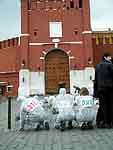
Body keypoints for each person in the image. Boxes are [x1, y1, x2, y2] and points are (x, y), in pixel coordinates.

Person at [94, 52, 113, 128]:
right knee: (110, 105)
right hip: (110, 88)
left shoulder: (97, 66)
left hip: (100, 89)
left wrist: (95, 92)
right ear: (105, 57)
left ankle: (100, 122)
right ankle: (109, 122)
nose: (110, 58)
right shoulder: (110, 65)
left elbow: (96, 80)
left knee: (102, 105)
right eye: (109, 57)